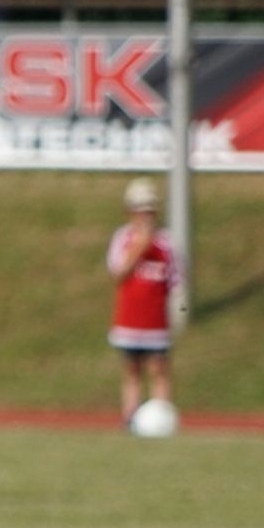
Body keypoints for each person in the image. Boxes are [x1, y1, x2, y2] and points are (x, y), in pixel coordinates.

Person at [106, 177, 179, 425]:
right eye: (140, 211)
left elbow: (176, 281)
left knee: (159, 369)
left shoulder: (166, 242)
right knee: (131, 370)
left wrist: (178, 311)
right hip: (129, 319)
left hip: (155, 320)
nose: (145, 217)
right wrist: (140, 246)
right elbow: (118, 273)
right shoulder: (123, 238)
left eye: (149, 211)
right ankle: (130, 417)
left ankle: (162, 418)